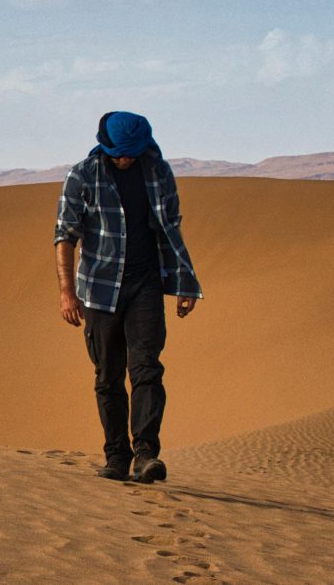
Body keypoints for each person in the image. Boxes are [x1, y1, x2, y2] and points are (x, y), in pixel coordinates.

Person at [54, 111, 202, 484]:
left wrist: (184, 281)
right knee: (108, 376)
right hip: (99, 290)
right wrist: (67, 294)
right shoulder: (83, 174)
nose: (125, 159)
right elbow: (65, 235)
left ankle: (146, 455)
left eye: (132, 152)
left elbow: (171, 229)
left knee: (148, 369)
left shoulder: (158, 172)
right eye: (119, 152)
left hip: (145, 285)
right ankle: (116, 456)